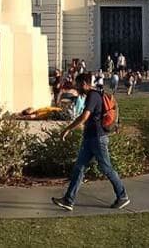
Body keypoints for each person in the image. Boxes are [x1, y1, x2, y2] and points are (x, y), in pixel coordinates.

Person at [51, 72, 129, 212]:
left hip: (97, 138)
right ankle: (69, 200)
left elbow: (84, 116)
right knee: (79, 168)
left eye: (78, 84)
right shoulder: (92, 95)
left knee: (106, 168)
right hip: (90, 138)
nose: (76, 87)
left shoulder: (93, 96)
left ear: (85, 84)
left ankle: (122, 196)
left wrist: (68, 129)